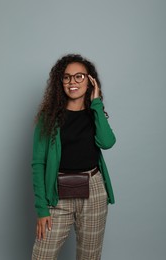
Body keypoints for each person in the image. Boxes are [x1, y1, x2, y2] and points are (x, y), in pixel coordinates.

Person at [31, 54, 116, 260]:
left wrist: (96, 103)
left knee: (89, 256)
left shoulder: (94, 113)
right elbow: (38, 164)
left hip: (94, 191)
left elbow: (107, 142)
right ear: (60, 82)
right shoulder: (48, 118)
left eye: (79, 77)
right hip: (57, 193)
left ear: (90, 80)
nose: (73, 82)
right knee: (42, 255)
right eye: (67, 77)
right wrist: (42, 209)